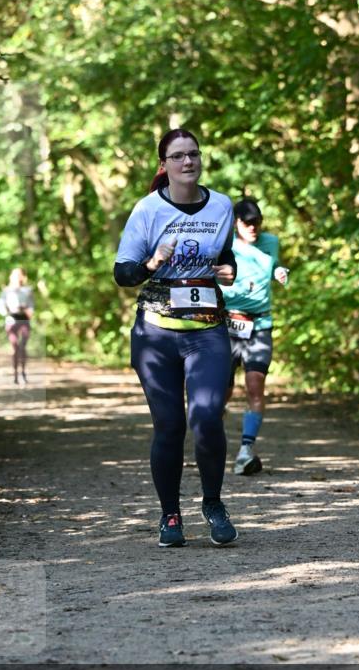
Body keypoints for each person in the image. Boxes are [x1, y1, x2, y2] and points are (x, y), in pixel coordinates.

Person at [114, 128, 239, 549]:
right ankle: (170, 515)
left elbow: (225, 257)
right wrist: (153, 262)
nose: (188, 162)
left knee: (206, 417)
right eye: (179, 156)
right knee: (169, 426)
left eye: (194, 155)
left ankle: (214, 503)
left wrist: (228, 271)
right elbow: (122, 274)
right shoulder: (147, 210)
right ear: (163, 165)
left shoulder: (222, 206)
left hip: (207, 330)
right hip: (156, 334)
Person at [221, 198, 289, 475]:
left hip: (260, 325)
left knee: (254, 385)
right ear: (236, 222)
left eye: (257, 222)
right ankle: (213, 438)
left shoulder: (271, 242)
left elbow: (274, 266)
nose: (253, 228)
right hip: (227, 326)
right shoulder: (225, 246)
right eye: (247, 223)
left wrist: (280, 272)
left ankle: (246, 450)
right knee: (220, 394)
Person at [0, 268, 34, 385]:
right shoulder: (6, 291)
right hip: (11, 320)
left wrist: (25, 309)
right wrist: (7, 310)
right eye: (14, 275)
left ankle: (23, 373)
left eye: (18, 275)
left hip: (24, 320)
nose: (16, 277)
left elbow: (32, 307)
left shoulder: (28, 290)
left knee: (23, 347)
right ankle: (15, 375)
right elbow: (0, 305)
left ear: (23, 277)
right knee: (15, 347)